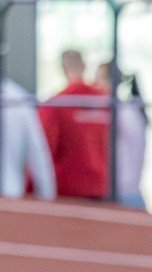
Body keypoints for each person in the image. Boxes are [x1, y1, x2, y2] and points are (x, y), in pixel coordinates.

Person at [40, 50, 110, 199]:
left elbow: (44, 148)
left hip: (68, 189)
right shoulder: (105, 102)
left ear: (63, 68)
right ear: (84, 66)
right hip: (102, 186)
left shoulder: (56, 104)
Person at [95, 64, 147, 210]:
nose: (94, 85)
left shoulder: (119, 113)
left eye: (98, 79)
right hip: (130, 191)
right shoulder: (130, 110)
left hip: (121, 194)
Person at [0, 77, 56, 200]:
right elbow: (37, 151)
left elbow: (36, 151)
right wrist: (46, 193)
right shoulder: (18, 96)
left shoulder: (17, 97)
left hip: (9, 195)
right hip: (11, 194)